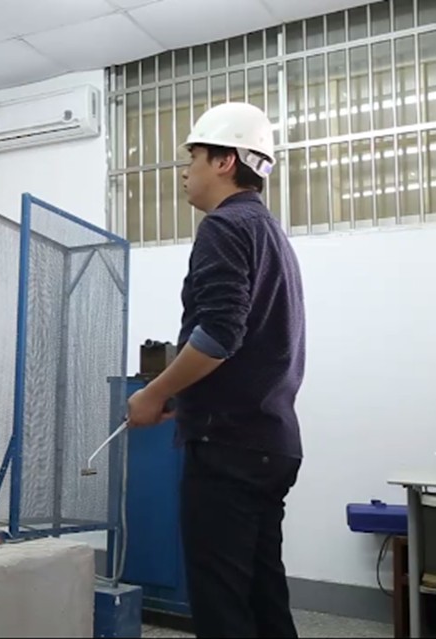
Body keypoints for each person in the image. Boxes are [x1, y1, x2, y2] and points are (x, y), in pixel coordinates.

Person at [125, 101, 306, 639]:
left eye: (194, 157)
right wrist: (184, 396)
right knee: (262, 596)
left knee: (222, 604)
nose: (185, 171)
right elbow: (249, 343)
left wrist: (153, 393)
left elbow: (221, 336)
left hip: (229, 448)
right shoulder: (268, 231)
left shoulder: (224, 226)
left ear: (226, 161)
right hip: (270, 442)